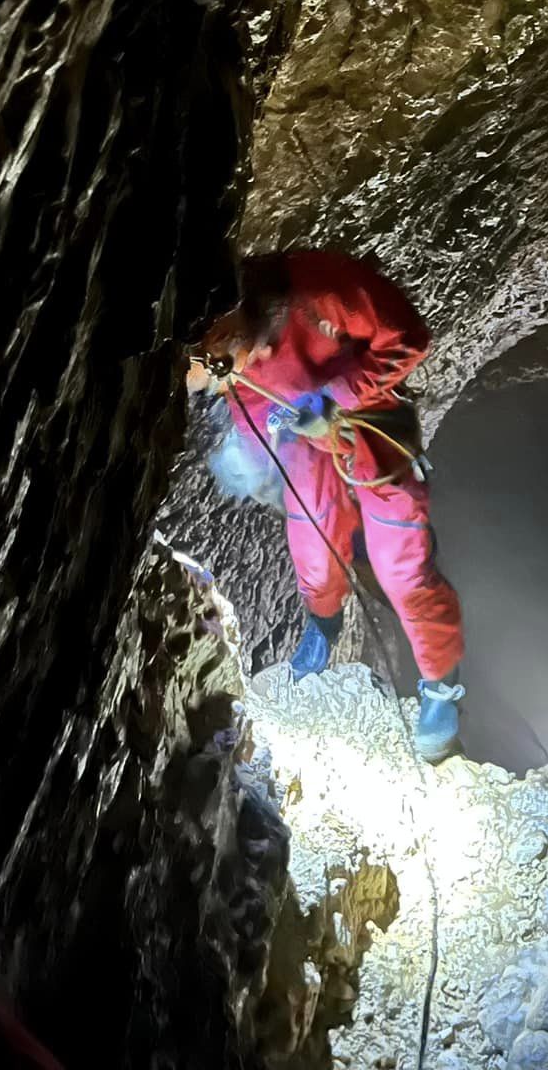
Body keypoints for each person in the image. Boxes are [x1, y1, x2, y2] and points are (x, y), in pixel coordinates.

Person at [187, 250, 466, 761]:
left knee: (401, 568)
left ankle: (441, 691)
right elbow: (249, 400)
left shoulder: (318, 289)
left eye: (218, 353)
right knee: (312, 547)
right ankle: (323, 626)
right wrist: (254, 446)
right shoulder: (228, 360)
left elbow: (408, 337)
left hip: (371, 423)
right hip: (305, 435)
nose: (217, 371)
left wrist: (335, 397)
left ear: (231, 313)